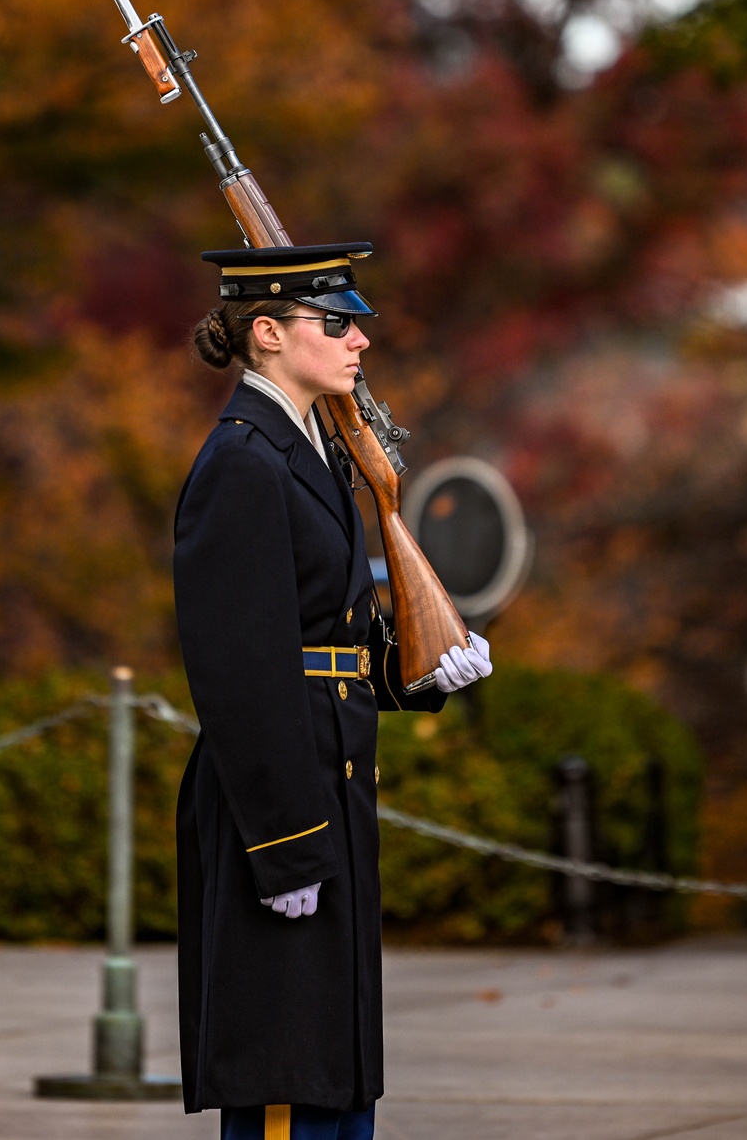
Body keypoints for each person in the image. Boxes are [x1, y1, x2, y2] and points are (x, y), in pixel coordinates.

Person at [173, 243, 492, 1140]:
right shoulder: (244, 462)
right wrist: (285, 846)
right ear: (268, 334)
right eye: (338, 324)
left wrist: (420, 666)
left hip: (329, 786)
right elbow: (242, 672)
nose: (359, 343)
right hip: (285, 811)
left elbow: (328, 636)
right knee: (289, 1078)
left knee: (334, 1072)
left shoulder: (310, 453)